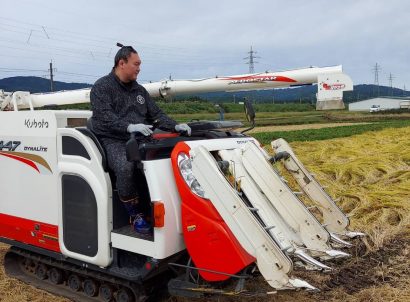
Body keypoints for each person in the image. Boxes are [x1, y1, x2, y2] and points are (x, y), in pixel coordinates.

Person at [90, 44, 191, 233]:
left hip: (139, 138)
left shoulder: (139, 91)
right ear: (122, 63)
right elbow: (105, 118)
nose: (139, 68)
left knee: (160, 161)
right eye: (136, 64)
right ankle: (134, 212)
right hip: (113, 139)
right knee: (126, 166)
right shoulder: (102, 87)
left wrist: (175, 125)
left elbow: (156, 115)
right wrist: (128, 127)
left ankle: (160, 208)